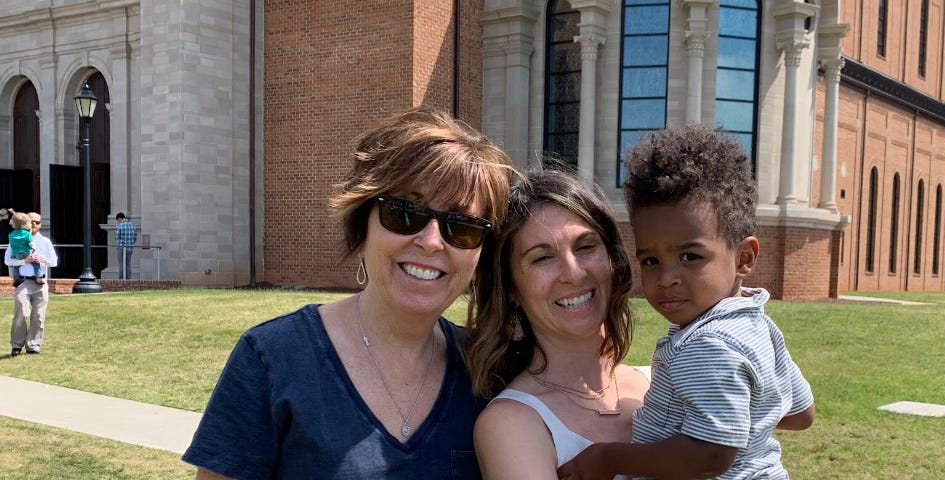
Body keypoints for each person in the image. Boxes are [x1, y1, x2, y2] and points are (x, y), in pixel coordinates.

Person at [182, 106, 515, 479]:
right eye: (404, 212)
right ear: (363, 223)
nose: (431, 241)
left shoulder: (487, 371)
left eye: (462, 226)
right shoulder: (272, 359)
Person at [558, 125, 815, 480]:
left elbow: (710, 456)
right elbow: (801, 413)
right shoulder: (759, 325)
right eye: (650, 261)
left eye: (690, 256)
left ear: (744, 258)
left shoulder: (708, 345)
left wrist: (609, 458)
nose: (666, 277)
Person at [465, 169, 649, 480]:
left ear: (612, 261)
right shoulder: (512, 424)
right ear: (512, 290)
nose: (574, 273)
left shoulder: (659, 383)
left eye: (585, 246)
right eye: (542, 258)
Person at [6, 212, 58, 356]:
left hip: (40, 282)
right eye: (32, 221)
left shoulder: (45, 241)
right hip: (23, 281)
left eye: (37, 222)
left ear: (40, 225)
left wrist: (42, 259)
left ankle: (33, 345)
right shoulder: (16, 238)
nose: (34, 224)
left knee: (38, 316)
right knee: (21, 313)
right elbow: (7, 260)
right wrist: (25, 261)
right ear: (25, 222)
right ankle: (16, 344)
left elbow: (54, 262)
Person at [8, 212, 45, 283]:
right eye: (29, 223)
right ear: (23, 225)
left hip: (15, 254)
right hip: (26, 252)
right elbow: (31, 244)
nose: (31, 224)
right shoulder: (27, 234)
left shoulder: (11, 234)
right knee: (36, 263)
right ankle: (38, 277)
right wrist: (32, 246)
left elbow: (12, 244)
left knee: (16, 265)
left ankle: (16, 277)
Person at [114, 212, 137, 279]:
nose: (118, 222)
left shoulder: (119, 225)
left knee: (121, 264)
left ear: (119, 218)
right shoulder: (133, 225)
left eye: (118, 220)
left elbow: (117, 237)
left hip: (122, 247)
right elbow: (135, 237)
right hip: (130, 248)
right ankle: (128, 278)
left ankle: (121, 279)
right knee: (128, 264)